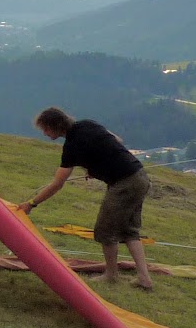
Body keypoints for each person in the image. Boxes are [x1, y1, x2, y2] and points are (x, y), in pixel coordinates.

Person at [18, 107, 155, 290]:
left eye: (46, 129)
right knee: (130, 231)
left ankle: (111, 275)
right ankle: (144, 279)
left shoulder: (71, 147)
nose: (44, 133)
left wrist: (31, 203)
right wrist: (95, 165)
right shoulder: (88, 124)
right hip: (140, 178)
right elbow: (116, 140)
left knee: (105, 231)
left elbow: (57, 184)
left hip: (124, 184)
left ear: (55, 125)